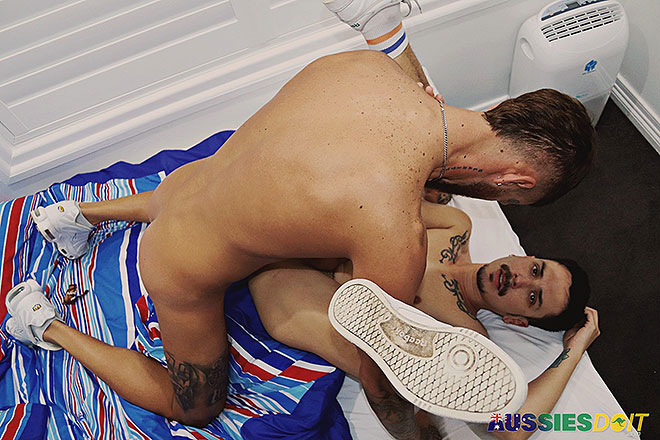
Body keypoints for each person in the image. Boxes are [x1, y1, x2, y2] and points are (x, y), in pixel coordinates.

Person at [3, 2, 595, 433]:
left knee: (237, 186)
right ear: (515, 182)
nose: (522, 278)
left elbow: (426, 131)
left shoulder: (368, 70)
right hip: (178, 264)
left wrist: (389, 33)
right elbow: (379, 383)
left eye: (532, 296)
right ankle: (43, 324)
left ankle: (78, 217)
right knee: (197, 408)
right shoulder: (393, 233)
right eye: (510, 205)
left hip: (191, 187)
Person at [248, 201, 600, 439]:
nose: (519, 280)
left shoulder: (467, 335)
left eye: (532, 298)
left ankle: (393, 373)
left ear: (516, 320)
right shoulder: (455, 224)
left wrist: (575, 348)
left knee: (363, 337)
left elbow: (511, 428)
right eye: (535, 270)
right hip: (308, 240)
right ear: (524, 256)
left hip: (297, 292)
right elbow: (383, 201)